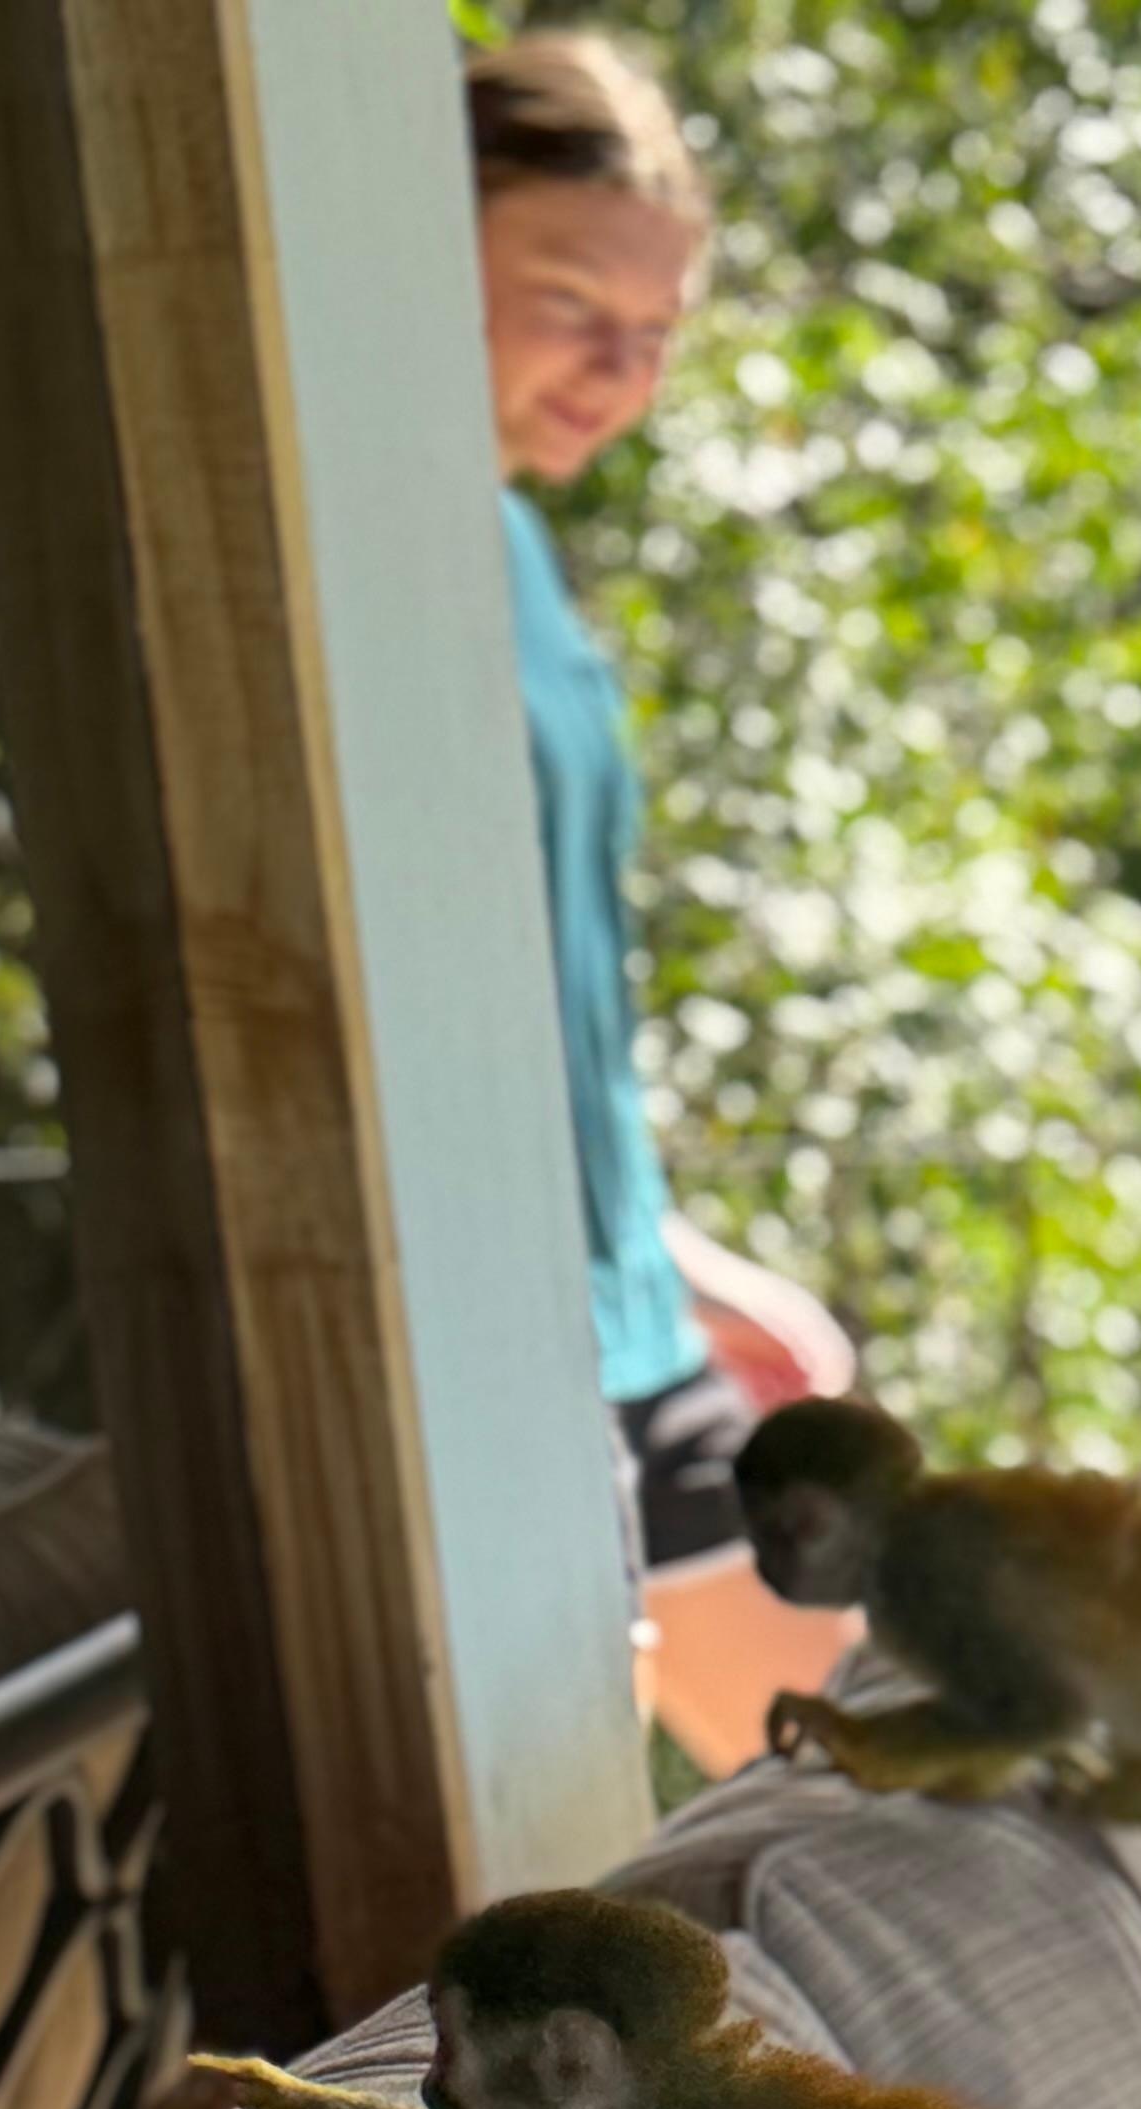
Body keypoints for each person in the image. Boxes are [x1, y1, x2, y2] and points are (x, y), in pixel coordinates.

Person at [467, 28, 857, 1778]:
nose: (621, 369)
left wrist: (681, 1267)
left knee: (858, 1797)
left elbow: (555, 992)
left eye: (658, 327)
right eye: (569, 301)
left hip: (626, 1329)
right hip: (498, 1356)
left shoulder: (518, 551)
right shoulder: (383, 562)